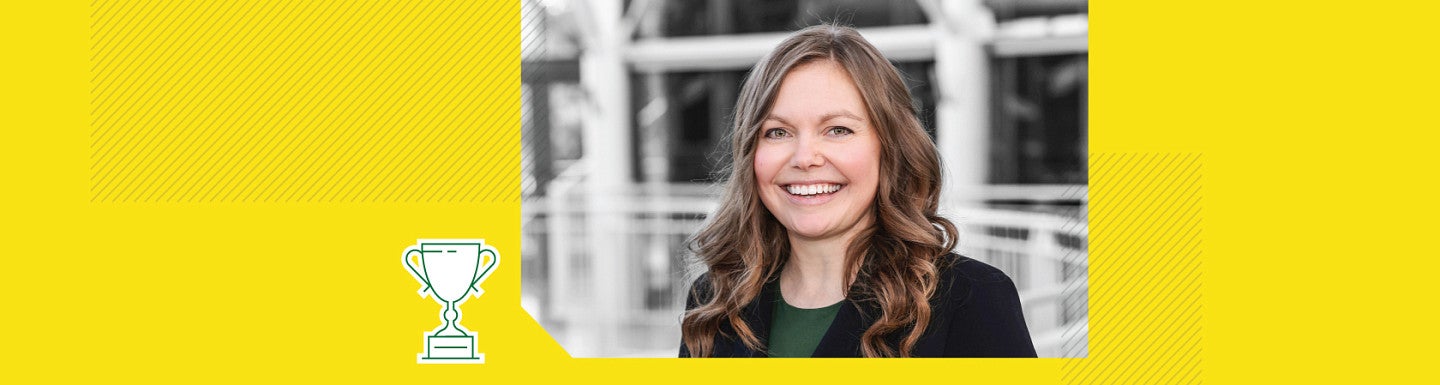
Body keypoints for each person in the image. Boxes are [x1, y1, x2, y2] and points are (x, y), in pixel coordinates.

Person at [678, 24, 1037, 358]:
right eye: (777, 132)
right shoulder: (712, 302)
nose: (805, 158)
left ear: (891, 147)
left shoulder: (971, 298)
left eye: (837, 130)